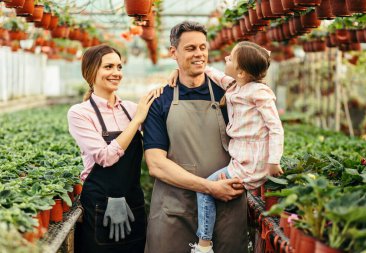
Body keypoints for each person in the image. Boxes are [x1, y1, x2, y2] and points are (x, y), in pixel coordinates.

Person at [169, 41, 285, 253]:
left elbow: (276, 128)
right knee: (212, 188)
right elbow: (212, 72)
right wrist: (179, 69)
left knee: (205, 188)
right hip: (241, 158)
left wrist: (273, 161)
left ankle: (204, 244)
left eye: (230, 58)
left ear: (240, 72)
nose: (225, 59)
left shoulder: (259, 93)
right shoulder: (235, 86)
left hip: (251, 162)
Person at [143, 21, 248, 253]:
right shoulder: (160, 101)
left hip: (225, 206)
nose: (199, 54)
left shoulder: (229, 97)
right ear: (174, 52)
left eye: (203, 47)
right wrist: (209, 187)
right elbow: (156, 165)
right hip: (175, 209)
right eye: (190, 48)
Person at [67, 44, 160, 253]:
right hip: (99, 203)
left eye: (119, 67)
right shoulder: (80, 113)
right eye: (108, 67)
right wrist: (137, 121)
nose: (116, 73)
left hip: (132, 200)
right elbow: (105, 157)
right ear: (91, 72)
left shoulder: (130, 108)